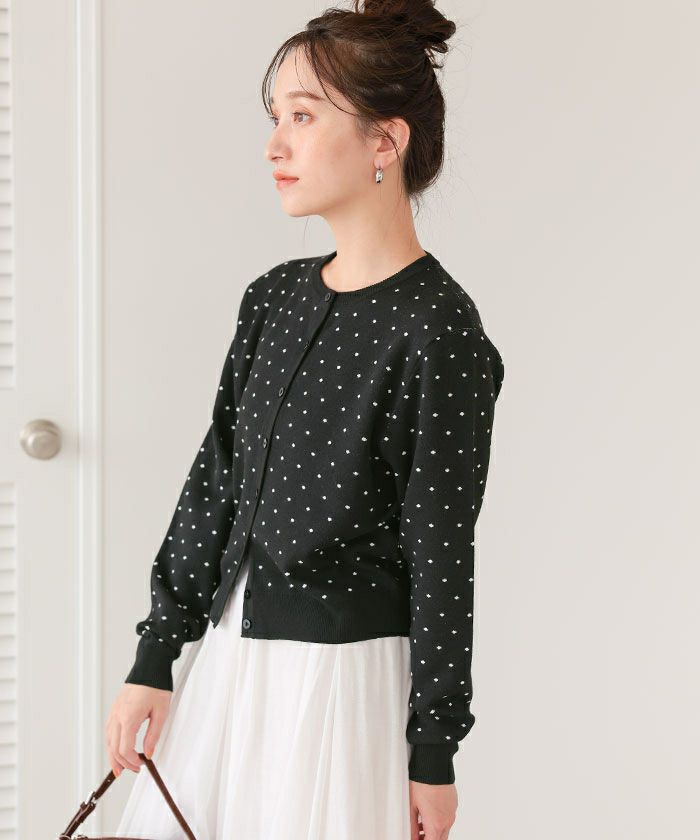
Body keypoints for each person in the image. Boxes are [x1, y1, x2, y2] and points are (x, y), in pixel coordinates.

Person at [106, 1, 505, 838]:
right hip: (231, 664)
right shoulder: (273, 300)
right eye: (274, 118)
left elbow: (442, 551)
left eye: (302, 116)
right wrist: (157, 654)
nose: (274, 146)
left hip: (338, 690)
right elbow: (216, 482)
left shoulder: (438, 330)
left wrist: (433, 752)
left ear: (384, 142)